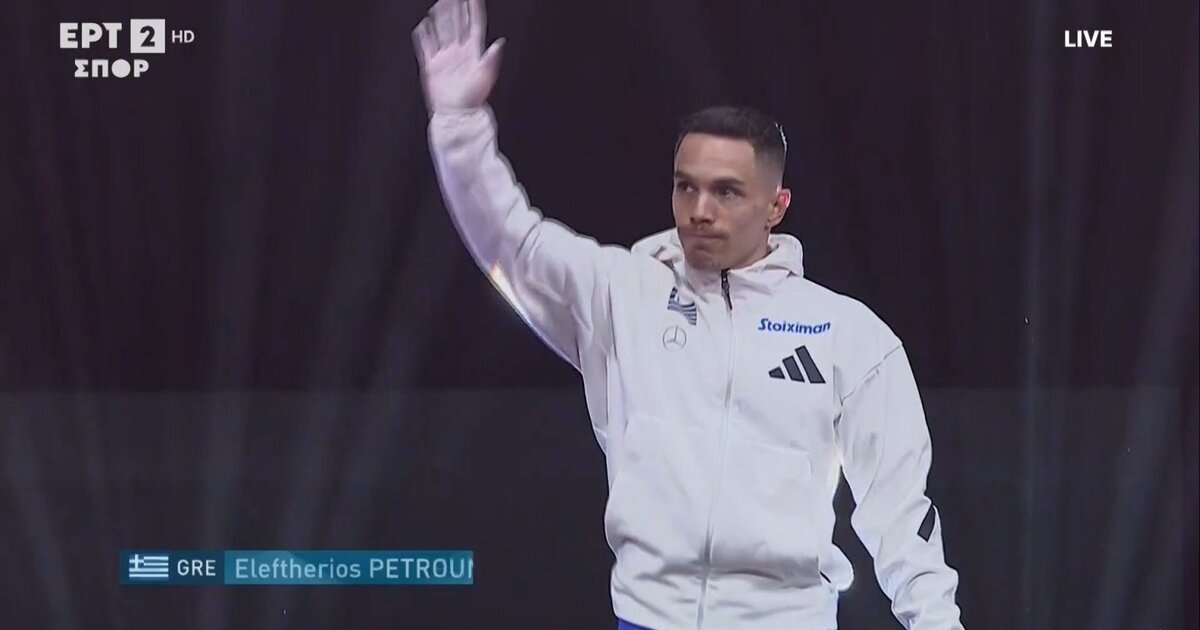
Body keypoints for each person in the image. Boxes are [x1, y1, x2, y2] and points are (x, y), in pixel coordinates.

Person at [412, 1, 965, 628]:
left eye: (727, 191)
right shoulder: (622, 294)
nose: (700, 209)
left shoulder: (848, 334)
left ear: (776, 205)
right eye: (686, 186)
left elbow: (901, 513)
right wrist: (458, 124)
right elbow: (513, 242)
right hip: (649, 619)